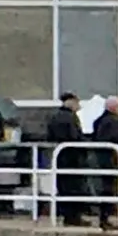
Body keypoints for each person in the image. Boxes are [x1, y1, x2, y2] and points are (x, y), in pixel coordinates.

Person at [46, 93, 87, 225]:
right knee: (74, 187)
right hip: (72, 157)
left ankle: (67, 216)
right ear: (70, 102)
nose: (78, 106)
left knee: (63, 187)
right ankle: (73, 218)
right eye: (76, 102)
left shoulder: (55, 116)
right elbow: (74, 136)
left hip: (60, 157)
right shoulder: (70, 117)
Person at [93, 97, 118, 230]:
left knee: (105, 187)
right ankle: (107, 216)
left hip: (102, 157)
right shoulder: (113, 122)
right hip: (111, 158)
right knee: (110, 187)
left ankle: (105, 216)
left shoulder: (99, 121)